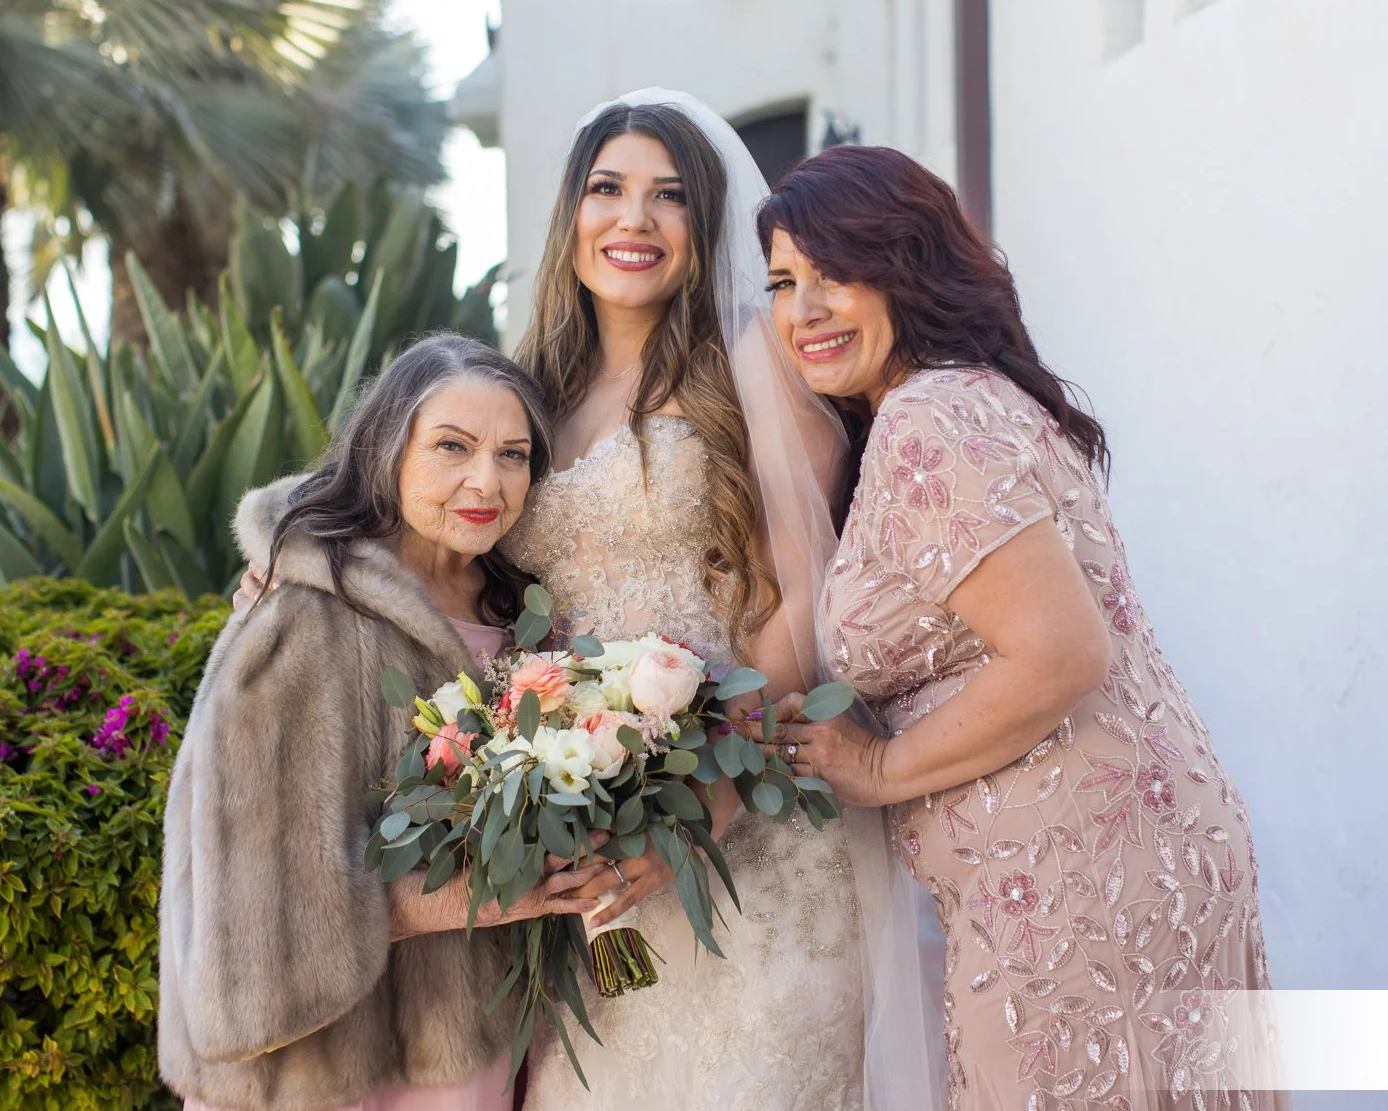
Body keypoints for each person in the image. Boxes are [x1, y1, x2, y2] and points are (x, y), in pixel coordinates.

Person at [754, 144, 1287, 1110]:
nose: (805, 310)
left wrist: (880, 769)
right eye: (785, 282)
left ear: (906, 264)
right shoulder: (970, 396)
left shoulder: (931, 421)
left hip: (1076, 885)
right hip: (1131, 851)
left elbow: (1064, 650)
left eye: (836, 273)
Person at [500, 93, 938, 1111]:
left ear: (704, 227)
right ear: (571, 214)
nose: (634, 221)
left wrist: (706, 802)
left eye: (669, 197)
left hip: (749, 823)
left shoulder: (753, 366)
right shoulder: (524, 390)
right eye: (607, 190)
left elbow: (806, 598)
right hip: (593, 858)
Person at [159, 335, 609, 1111]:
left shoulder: (524, 618)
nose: (486, 480)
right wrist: (483, 893)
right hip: (329, 1067)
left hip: (471, 1051)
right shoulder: (304, 616)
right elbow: (260, 913)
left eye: (513, 454)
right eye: (452, 447)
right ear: (385, 449)